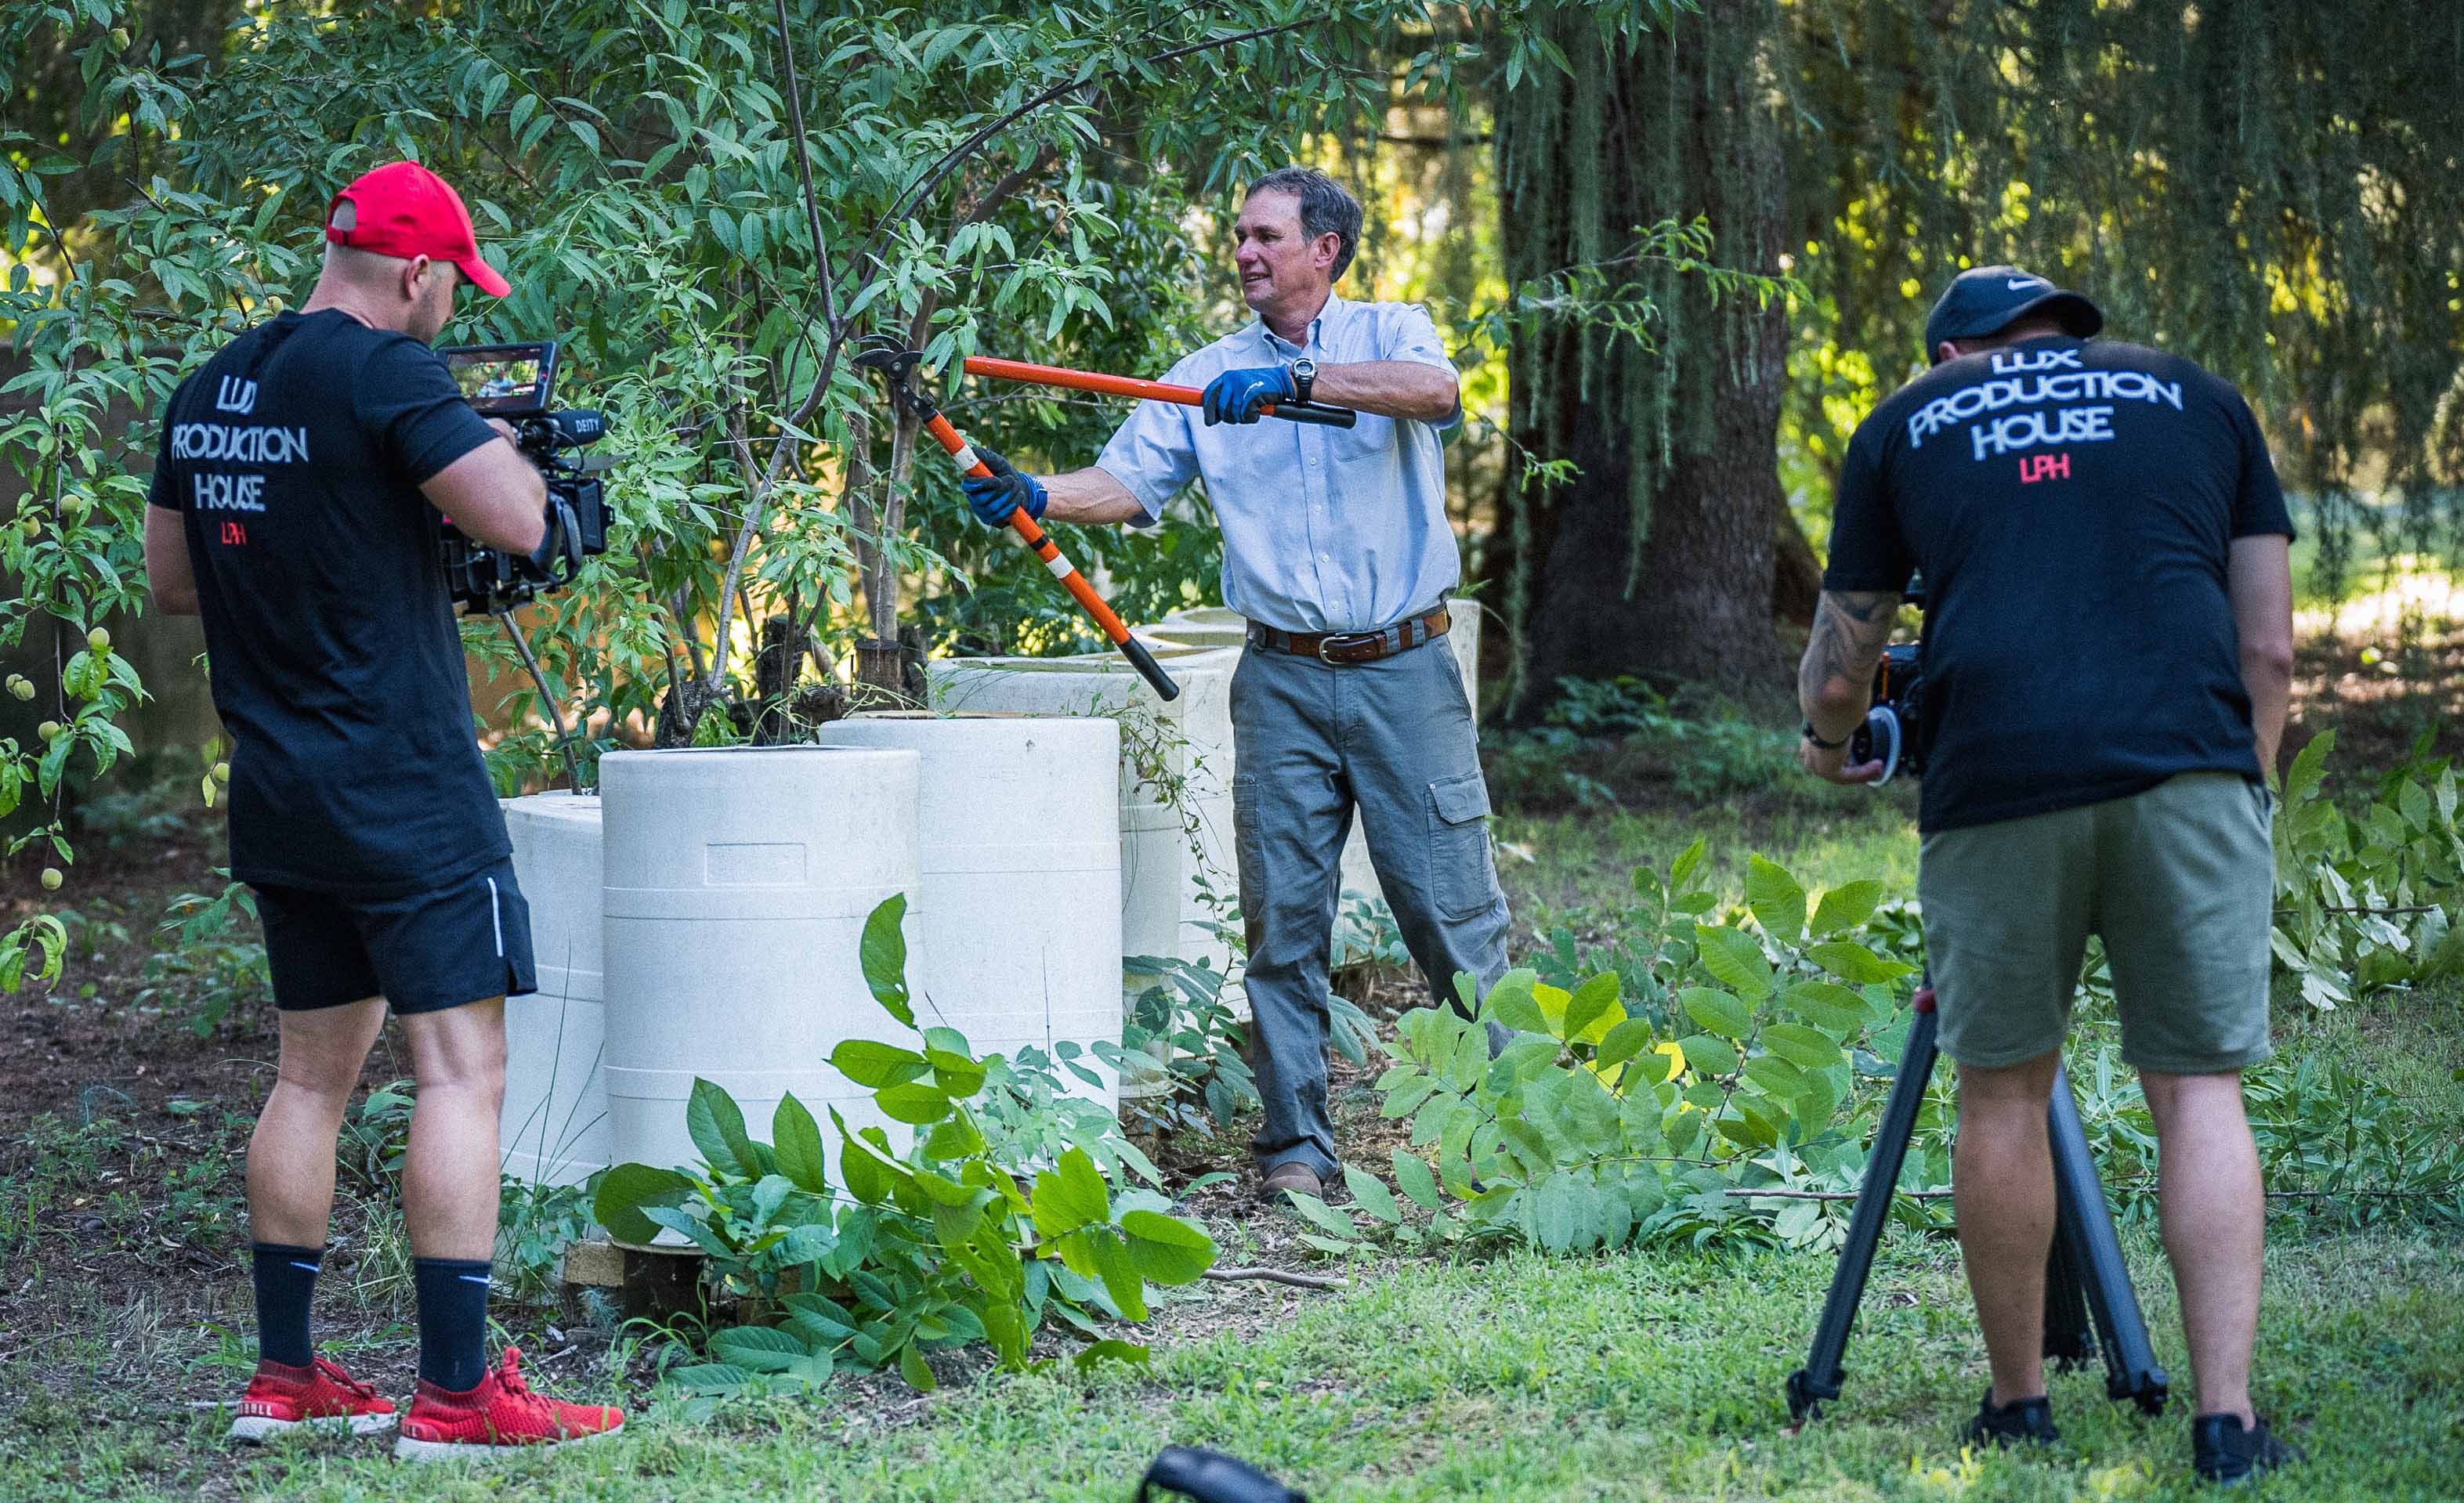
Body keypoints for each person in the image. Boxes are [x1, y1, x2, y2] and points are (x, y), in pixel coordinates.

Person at [143, 160, 622, 1460]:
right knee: (461, 1073)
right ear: (413, 271)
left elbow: (175, 583)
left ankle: (285, 1380)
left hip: (282, 790)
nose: (449, 313)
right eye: (450, 287)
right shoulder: (391, 375)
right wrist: (507, 451)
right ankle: (460, 1397)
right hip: (406, 792)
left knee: (309, 1081)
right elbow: (521, 522)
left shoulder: (212, 388)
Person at [1795, 265, 2299, 1486]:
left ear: (1953, 351)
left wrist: (1825, 747)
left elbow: (1839, 661)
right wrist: (2246, 783)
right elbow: (2267, 642)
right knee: (2197, 1092)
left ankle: (2018, 1404)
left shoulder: (1906, 422)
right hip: (2187, 768)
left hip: (1994, 782)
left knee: (2001, 1094)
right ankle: (2223, 1422)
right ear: (2067, 336)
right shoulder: (2197, 397)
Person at [959, 167, 1509, 1201]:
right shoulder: (1204, 375)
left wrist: (1302, 385)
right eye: (1239, 236)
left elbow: (1436, 396)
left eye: (1266, 235)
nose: (1246, 252)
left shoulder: (1393, 330)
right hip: (1282, 680)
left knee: (1449, 913)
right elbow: (1124, 485)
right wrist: (1036, 493)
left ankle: (1518, 1128)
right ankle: (1297, 1151)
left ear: (1325, 249)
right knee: (1281, 920)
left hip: (1403, 668)